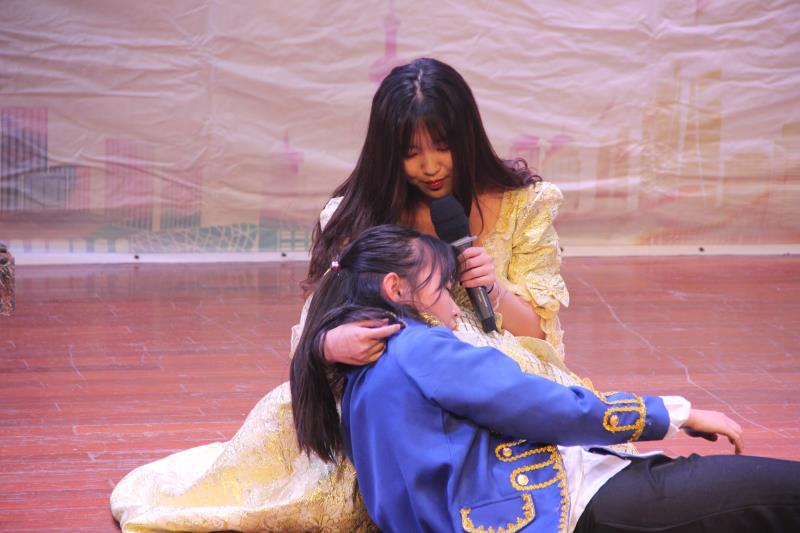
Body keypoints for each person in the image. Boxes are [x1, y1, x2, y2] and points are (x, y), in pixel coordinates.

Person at [111, 58, 610, 531]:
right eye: (411, 154)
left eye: (442, 146)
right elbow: (316, 326)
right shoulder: (358, 215)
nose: (430, 166)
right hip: (394, 381)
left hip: (492, 371)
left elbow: (541, 332)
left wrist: (494, 290)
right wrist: (333, 344)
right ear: (388, 154)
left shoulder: (525, 204)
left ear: (467, 137)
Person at [291, 224, 800, 533]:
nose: (454, 306)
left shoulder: (356, 374)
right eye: (443, 289)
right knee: (778, 494)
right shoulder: (417, 348)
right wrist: (674, 413)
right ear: (396, 287)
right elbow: (546, 406)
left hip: (541, 505)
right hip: (559, 509)